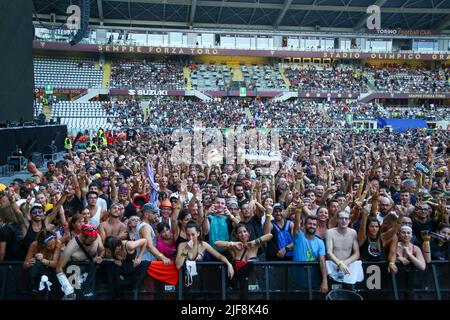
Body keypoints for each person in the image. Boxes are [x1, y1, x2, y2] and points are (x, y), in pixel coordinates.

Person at [215, 223, 271, 299]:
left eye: (245, 231)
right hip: (237, 287)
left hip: (253, 285)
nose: (243, 234)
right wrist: (233, 243)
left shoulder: (254, 246)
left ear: (249, 233)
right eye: (240, 232)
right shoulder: (233, 248)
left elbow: (270, 236)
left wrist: (255, 241)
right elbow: (217, 243)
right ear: (237, 235)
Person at [176, 221, 234, 293]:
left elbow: (219, 256)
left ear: (198, 233)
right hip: (185, 282)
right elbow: (178, 265)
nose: (190, 238)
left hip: (200, 282)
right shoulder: (182, 246)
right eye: (188, 235)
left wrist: (229, 264)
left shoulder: (203, 245)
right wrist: (185, 250)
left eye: (193, 234)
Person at [56, 224, 105, 299]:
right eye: (90, 240)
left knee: (90, 296)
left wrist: (100, 257)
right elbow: (59, 268)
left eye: (94, 240)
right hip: (74, 273)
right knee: (74, 297)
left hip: (90, 272)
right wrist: (68, 289)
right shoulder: (72, 246)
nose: (92, 242)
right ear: (83, 236)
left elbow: (102, 250)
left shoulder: (96, 236)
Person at [292, 207, 328, 294]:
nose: (312, 226)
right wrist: (298, 209)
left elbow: (322, 261)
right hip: (297, 279)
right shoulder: (298, 237)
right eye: (309, 224)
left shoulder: (320, 242)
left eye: (314, 224)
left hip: (314, 278)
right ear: (304, 226)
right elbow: (296, 225)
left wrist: (324, 281)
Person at [104, 235, 149, 299]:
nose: (111, 253)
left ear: (118, 247)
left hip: (132, 267)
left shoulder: (129, 245)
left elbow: (145, 241)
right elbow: (107, 255)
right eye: (109, 251)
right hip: (122, 269)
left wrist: (139, 257)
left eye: (112, 251)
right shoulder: (111, 249)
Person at [325, 211, 363, 284]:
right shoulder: (330, 232)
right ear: (337, 220)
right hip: (334, 266)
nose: (344, 221)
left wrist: (345, 263)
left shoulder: (353, 232)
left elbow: (357, 253)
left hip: (349, 266)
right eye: (341, 218)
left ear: (349, 220)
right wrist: (339, 263)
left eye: (346, 218)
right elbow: (329, 252)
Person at [23, 230, 62, 298]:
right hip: (38, 274)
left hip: (52, 273)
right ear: (42, 244)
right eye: (49, 246)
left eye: (53, 244)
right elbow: (24, 265)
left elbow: (55, 264)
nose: (53, 247)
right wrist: (29, 264)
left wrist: (43, 260)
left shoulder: (58, 243)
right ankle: (34, 287)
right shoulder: (34, 245)